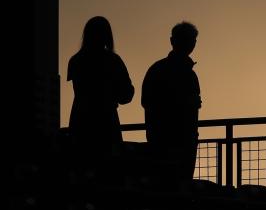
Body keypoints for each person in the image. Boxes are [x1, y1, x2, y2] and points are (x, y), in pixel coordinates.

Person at [141, 21, 202, 182]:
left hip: (162, 137)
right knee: (179, 182)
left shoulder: (157, 69)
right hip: (179, 138)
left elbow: (146, 101)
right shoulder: (188, 74)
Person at [67, 16, 135, 150]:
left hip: (80, 122)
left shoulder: (76, 60)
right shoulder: (113, 60)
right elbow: (126, 95)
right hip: (107, 123)